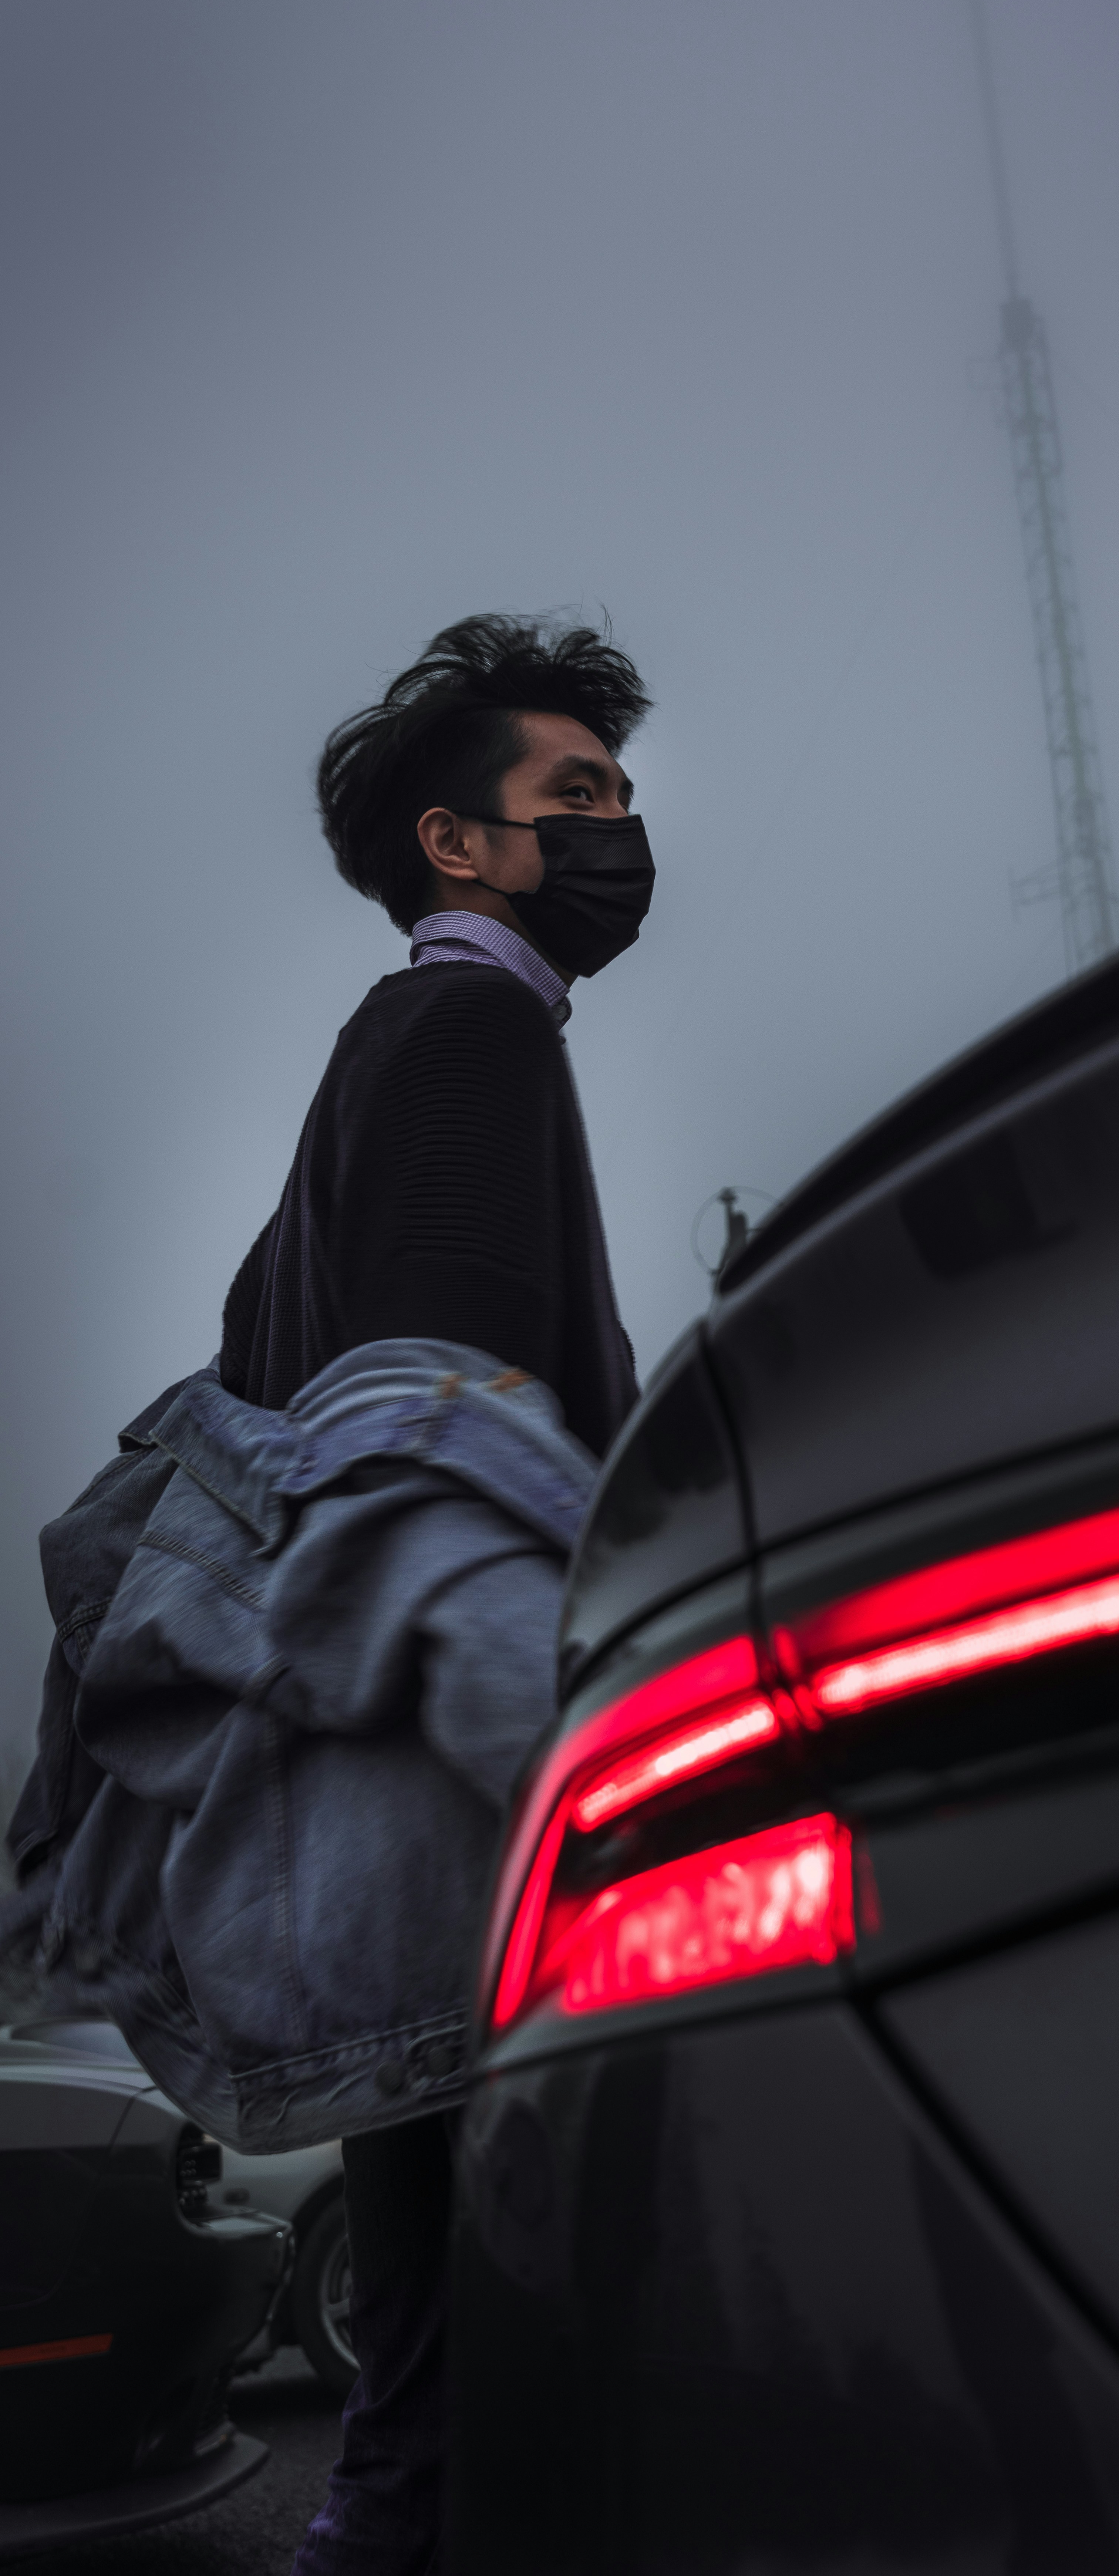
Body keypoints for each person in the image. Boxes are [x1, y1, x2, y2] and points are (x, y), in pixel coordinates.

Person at [218, 613, 653, 2576]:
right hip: (482, 1845)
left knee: (431, 2401)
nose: (619, 831)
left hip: (388, 1846)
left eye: (621, 797)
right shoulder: (465, 1036)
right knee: (486, 2415)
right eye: (576, 797)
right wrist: (600, 1802)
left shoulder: (369, 1088)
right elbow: (433, 1460)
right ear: (458, 844)